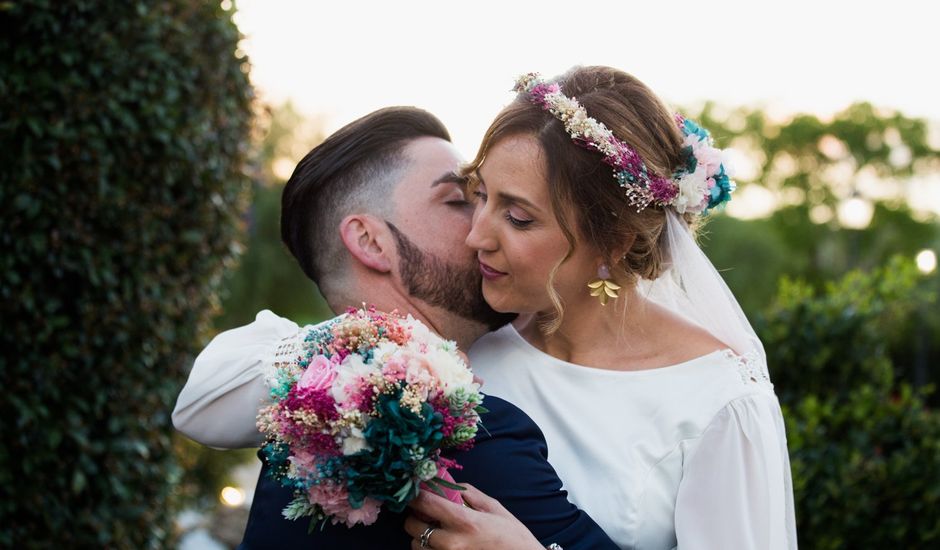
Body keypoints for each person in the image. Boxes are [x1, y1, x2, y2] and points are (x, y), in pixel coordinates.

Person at [173, 106, 618, 549]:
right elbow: (197, 403)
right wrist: (367, 348)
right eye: (460, 201)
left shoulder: (293, 439)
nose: (484, 228)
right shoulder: (467, 432)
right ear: (370, 242)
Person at [404, 66, 797, 549]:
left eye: (518, 217)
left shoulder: (716, 402)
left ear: (613, 241)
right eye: (479, 195)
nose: (476, 235)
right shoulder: (465, 358)